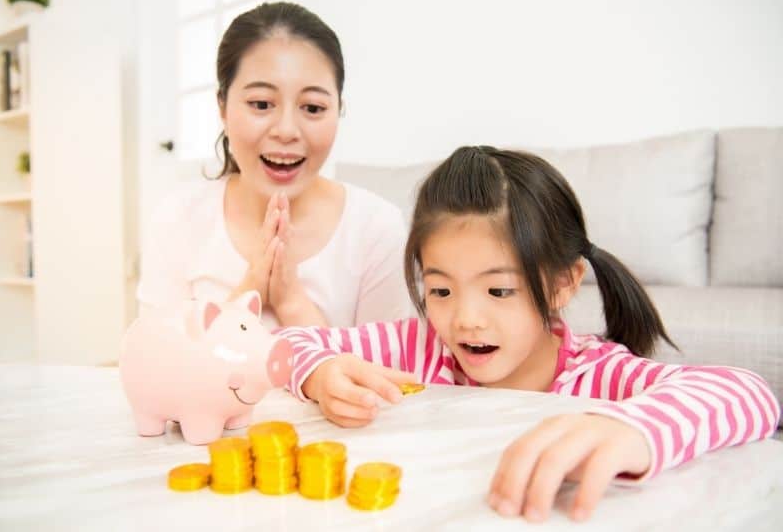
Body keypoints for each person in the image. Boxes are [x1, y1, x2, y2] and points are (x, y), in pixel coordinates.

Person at [276, 146, 781, 522]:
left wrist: (635, 429)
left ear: (563, 283)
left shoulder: (596, 375)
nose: (465, 319)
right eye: (441, 291)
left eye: (498, 291)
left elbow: (753, 395)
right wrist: (320, 373)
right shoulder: (418, 348)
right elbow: (289, 345)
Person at [137, 2, 410, 328]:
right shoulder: (178, 218)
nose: (286, 131)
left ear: (339, 109)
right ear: (222, 108)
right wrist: (251, 287)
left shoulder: (377, 229)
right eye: (261, 104)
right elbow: (157, 366)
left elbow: (384, 374)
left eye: (312, 107)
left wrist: (291, 301)